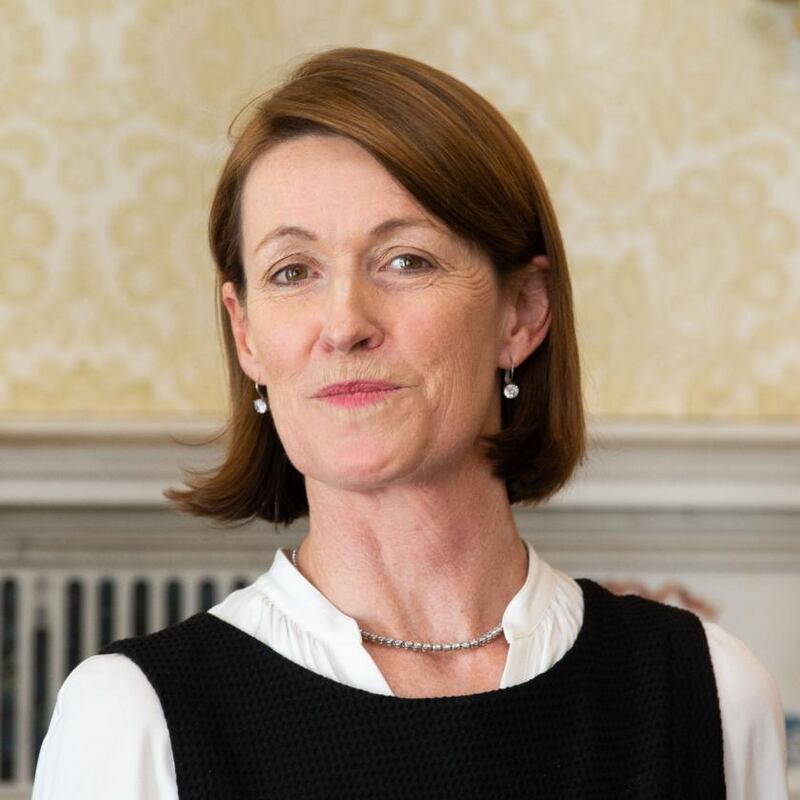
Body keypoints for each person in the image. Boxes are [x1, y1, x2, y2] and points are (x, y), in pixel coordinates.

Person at [32, 46, 788, 799]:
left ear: (522, 312)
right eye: (293, 272)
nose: (344, 325)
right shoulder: (132, 719)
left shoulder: (711, 694)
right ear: (246, 334)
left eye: (405, 261)